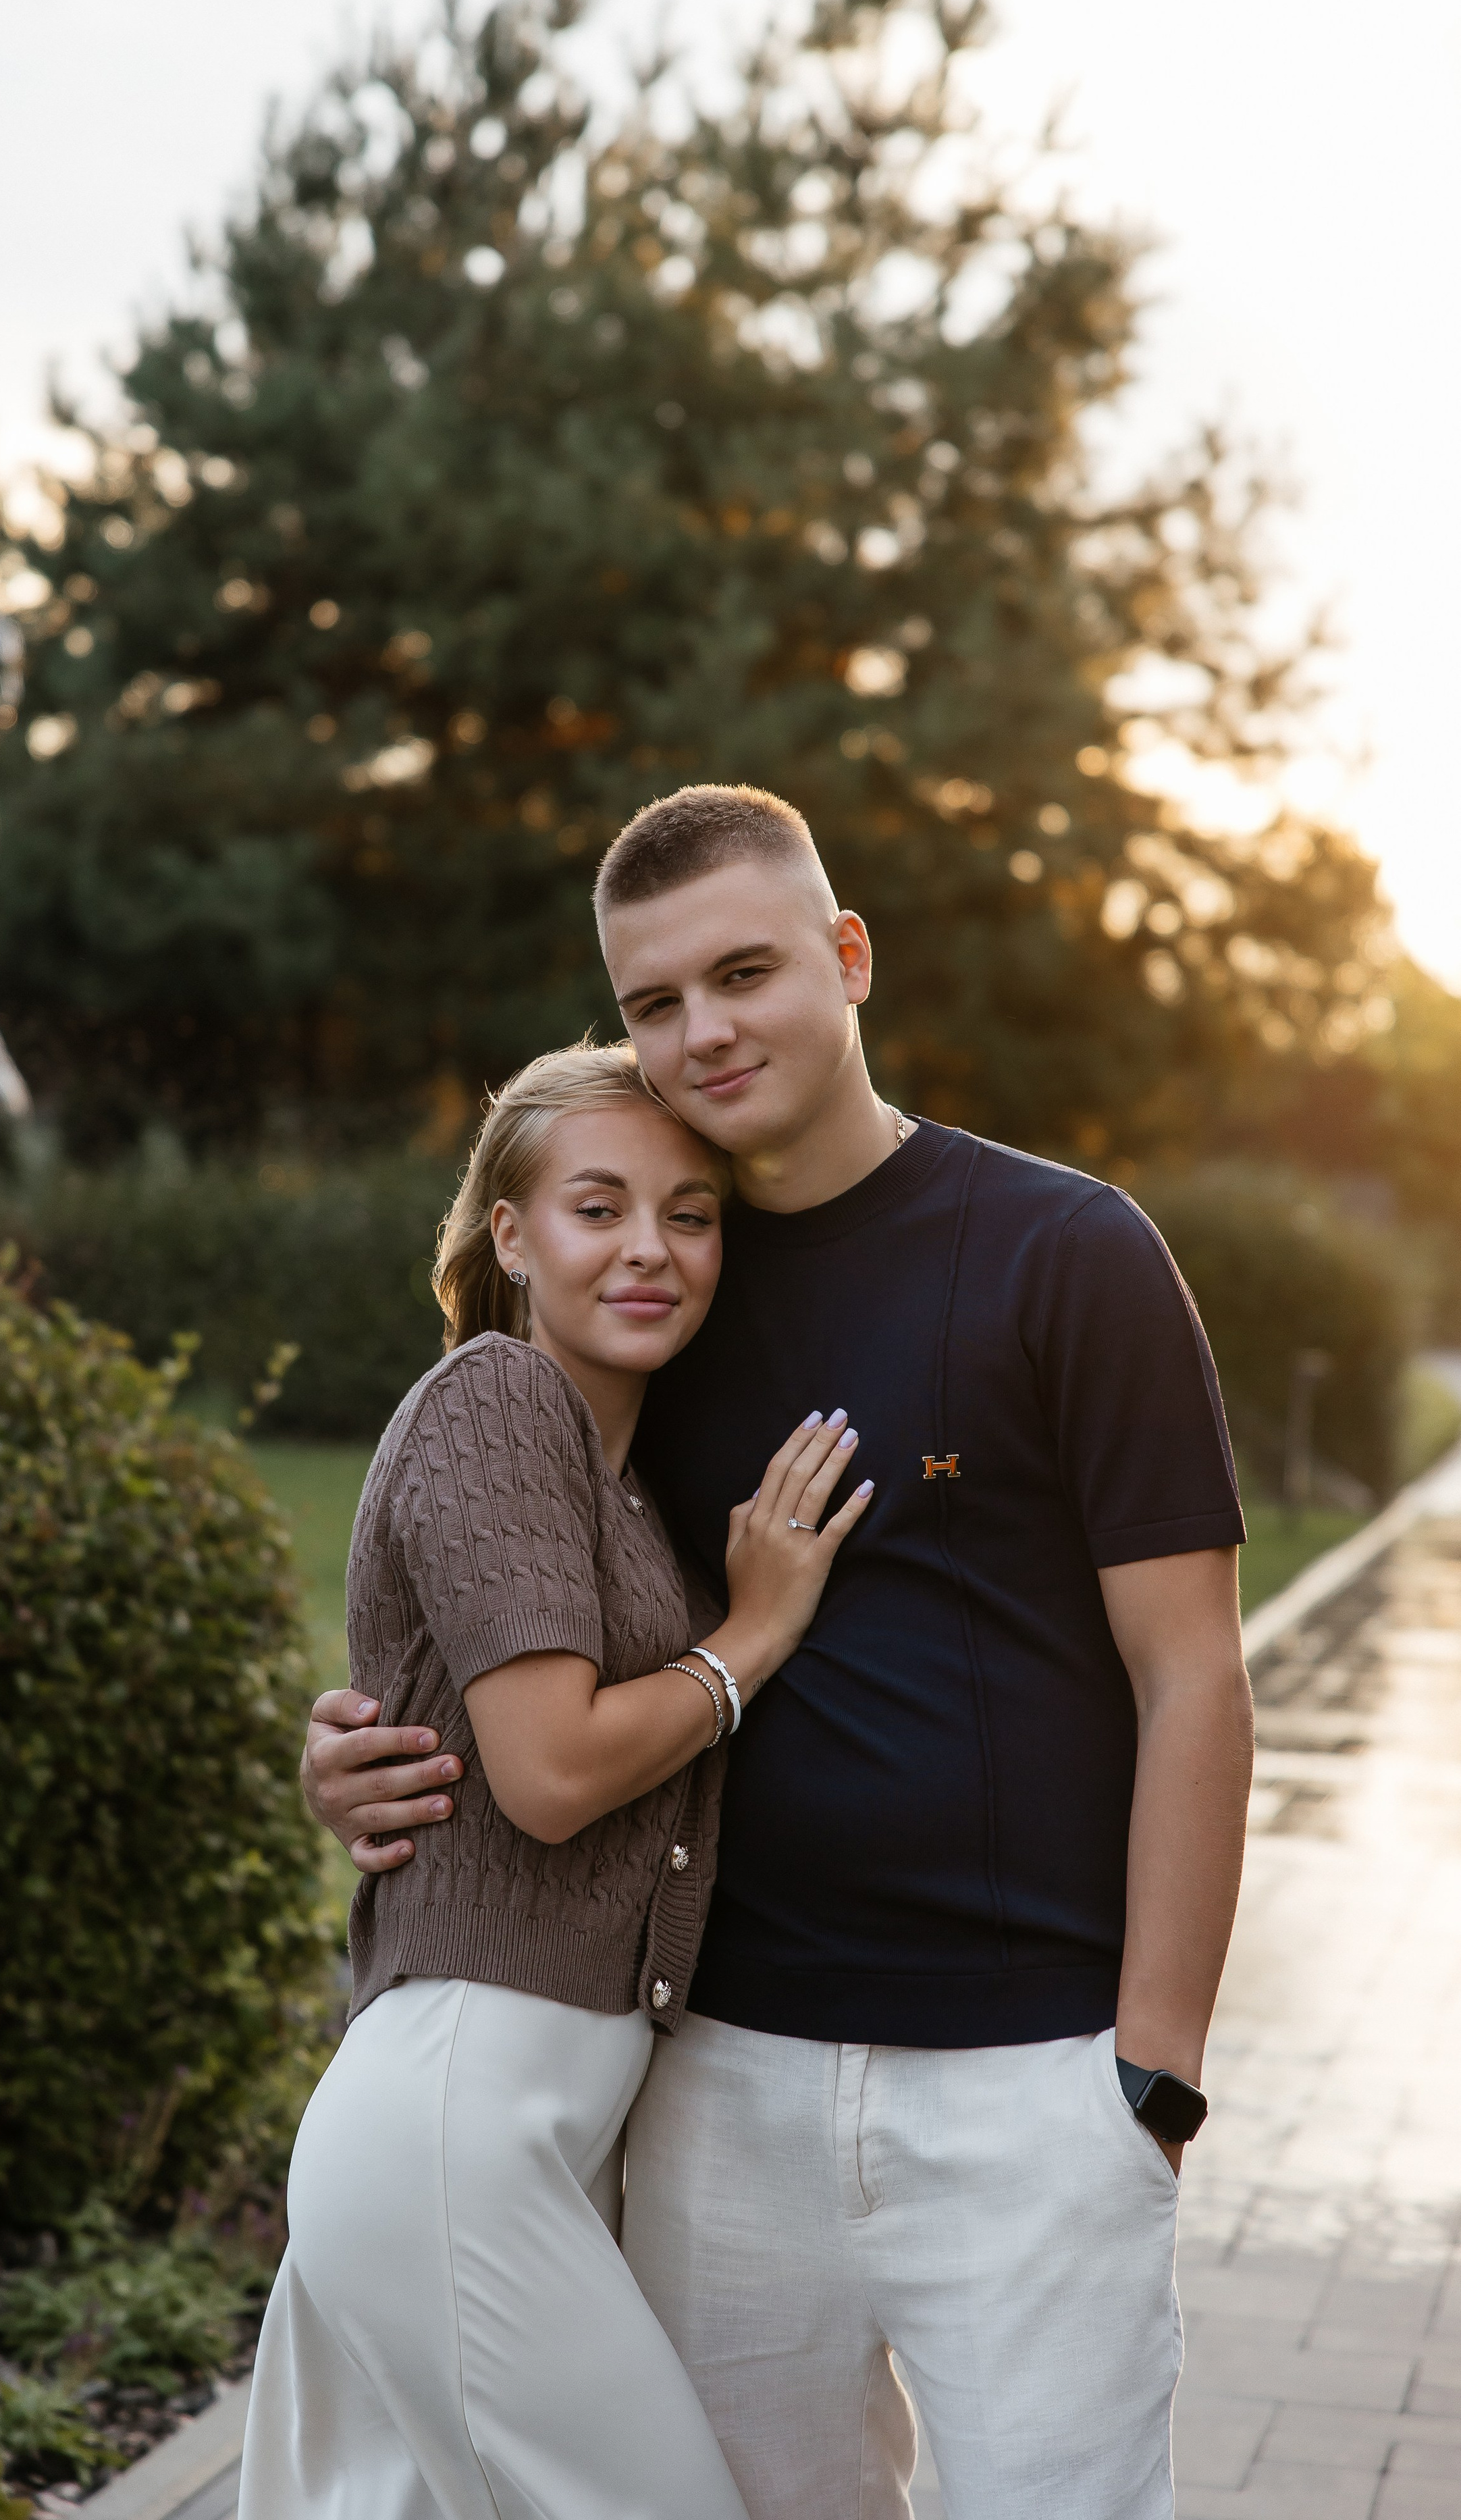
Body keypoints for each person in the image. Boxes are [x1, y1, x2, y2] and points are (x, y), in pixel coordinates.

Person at [304, 786, 1256, 2520]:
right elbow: (507, 1588)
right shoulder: (651, 1305)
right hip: (711, 2080)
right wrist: (358, 1744)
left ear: (847, 957)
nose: (700, 1032)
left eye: (741, 973)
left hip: (1027, 2085)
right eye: (652, 1002)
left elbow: (1191, 1671)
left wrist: (1152, 2069)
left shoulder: (1065, 1252)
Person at [238, 1039, 874, 2520]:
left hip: (515, 2133)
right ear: (511, 1236)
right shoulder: (500, 1399)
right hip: (457, 2129)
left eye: (690, 1213)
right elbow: (548, 1773)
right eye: (599, 1208)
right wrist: (750, 1638)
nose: (650, 1248)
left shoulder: (616, 1470)